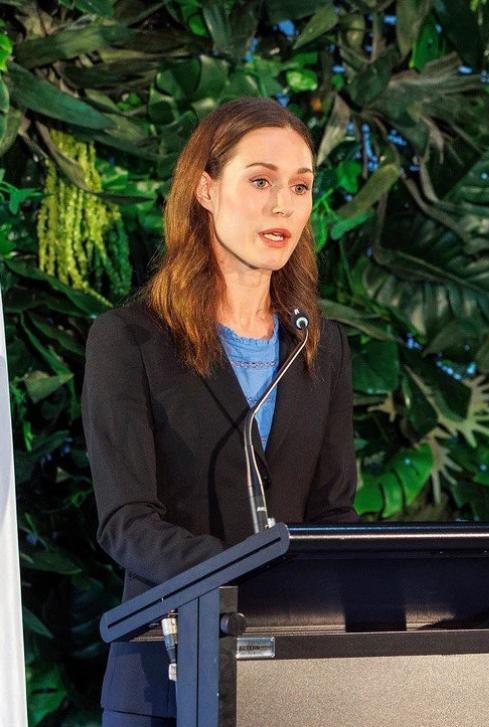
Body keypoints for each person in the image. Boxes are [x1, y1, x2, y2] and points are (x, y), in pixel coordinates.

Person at [82, 98, 358, 727]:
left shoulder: (319, 343)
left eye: (300, 186)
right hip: (164, 680)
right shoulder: (130, 340)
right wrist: (249, 578)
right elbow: (127, 523)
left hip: (293, 679)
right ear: (205, 190)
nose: (283, 205)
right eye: (260, 181)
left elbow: (332, 512)